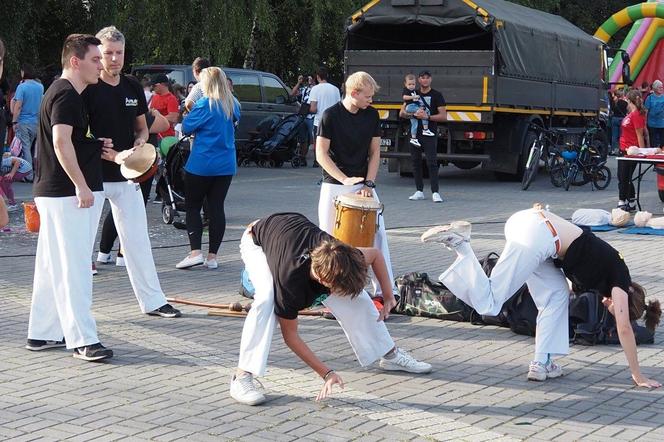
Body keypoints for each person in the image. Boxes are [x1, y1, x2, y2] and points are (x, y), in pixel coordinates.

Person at [422, 206, 661, 387]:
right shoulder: (620, 278)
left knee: (556, 295)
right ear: (627, 299)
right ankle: (462, 244)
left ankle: (543, 362)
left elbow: (573, 266)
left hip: (535, 230)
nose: (609, 308)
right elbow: (624, 329)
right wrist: (637, 375)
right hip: (537, 234)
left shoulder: (604, 274)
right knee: (490, 302)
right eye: (617, 309)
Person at [229, 213, 432, 405]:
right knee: (265, 300)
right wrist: (326, 373)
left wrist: (388, 296)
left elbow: (376, 255)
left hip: (292, 230)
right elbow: (291, 337)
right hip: (257, 238)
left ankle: (389, 354)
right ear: (323, 281)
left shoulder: (341, 254)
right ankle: (241, 376)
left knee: (359, 298)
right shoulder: (289, 283)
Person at [26, 34, 114, 361]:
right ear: (75, 61)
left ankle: (43, 332)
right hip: (66, 194)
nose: (101, 65)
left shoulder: (62, 92)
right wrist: (81, 184)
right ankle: (82, 340)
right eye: (95, 59)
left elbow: (69, 141)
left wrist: (94, 146)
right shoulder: (67, 95)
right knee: (74, 267)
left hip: (54, 192)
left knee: (52, 265)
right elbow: (62, 142)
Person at [84, 26, 181, 318]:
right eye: (107, 53)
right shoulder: (87, 86)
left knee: (137, 240)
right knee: (81, 245)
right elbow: (81, 135)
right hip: (94, 177)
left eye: (119, 53)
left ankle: (153, 301)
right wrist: (110, 153)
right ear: (97, 54)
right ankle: (77, 311)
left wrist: (141, 141)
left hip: (127, 176)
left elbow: (143, 125)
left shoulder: (131, 86)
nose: (113, 59)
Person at [316, 71, 395, 298]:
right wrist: (343, 179)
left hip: (363, 184)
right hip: (334, 184)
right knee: (328, 239)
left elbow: (375, 151)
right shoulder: (330, 115)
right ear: (354, 93)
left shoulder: (371, 115)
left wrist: (369, 183)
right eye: (368, 96)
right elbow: (321, 154)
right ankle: (327, 290)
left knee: (379, 236)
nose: (371, 100)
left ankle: (385, 291)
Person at [176, 67, 240, 270]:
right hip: (226, 164)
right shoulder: (233, 104)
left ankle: (195, 252)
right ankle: (212, 257)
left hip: (202, 163)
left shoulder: (204, 104)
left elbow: (186, 128)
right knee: (216, 207)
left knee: (193, 206)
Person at [399, 71, 447, 203]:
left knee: (432, 162)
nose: (425, 80)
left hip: (429, 133)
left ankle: (435, 192)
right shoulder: (412, 93)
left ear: (431, 80)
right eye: (422, 78)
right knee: (415, 162)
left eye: (427, 78)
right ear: (418, 80)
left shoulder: (437, 95)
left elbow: (443, 116)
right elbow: (402, 113)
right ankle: (419, 190)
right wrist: (412, 115)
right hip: (415, 133)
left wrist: (427, 117)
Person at [11, 64, 44, 180]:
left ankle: (28, 175)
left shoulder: (22, 87)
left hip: (24, 121)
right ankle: (35, 174)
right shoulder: (40, 87)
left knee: (25, 149)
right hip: (37, 122)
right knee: (34, 149)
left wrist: (14, 121)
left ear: (24, 73)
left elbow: (18, 106)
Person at [617, 89, 647, 212]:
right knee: (623, 177)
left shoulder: (637, 115)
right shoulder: (631, 114)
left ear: (629, 100)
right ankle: (630, 201)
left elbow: (640, 134)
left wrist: (642, 152)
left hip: (631, 150)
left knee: (624, 177)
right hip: (624, 149)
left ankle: (622, 201)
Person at [308, 67, 340, 167]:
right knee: (332, 142)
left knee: (318, 142)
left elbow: (313, 108)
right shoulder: (335, 89)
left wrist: (307, 110)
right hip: (334, 121)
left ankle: (318, 161)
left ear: (317, 77)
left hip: (319, 120)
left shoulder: (315, 89)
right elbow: (339, 106)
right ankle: (332, 160)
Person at [402, 73, 434, 148]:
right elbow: (404, 97)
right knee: (424, 112)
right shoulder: (406, 90)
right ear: (405, 84)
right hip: (410, 107)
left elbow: (418, 100)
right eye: (409, 84)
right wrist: (414, 97)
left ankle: (413, 138)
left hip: (414, 106)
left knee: (414, 124)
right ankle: (425, 129)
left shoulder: (415, 91)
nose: (411, 86)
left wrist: (421, 104)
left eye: (413, 84)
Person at [149, 73, 179, 138]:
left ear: (162, 84)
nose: (152, 88)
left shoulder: (171, 99)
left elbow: (173, 118)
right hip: (154, 136)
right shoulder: (155, 97)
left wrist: (157, 117)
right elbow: (151, 113)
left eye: (154, 86)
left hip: (166, 137)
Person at [644, 80, 664, 148]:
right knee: (653, 142)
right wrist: (645, 123)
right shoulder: (649, 98)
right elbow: (646, 111)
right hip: (652, 124)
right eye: (660, 87)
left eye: (662, 87)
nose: (661, 89)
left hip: (662, 123)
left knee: (662, 142)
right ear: (655, 88)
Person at [610, 88, 628, 155]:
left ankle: (613, 150)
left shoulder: (614, 103)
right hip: (622, 119)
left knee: (614, 135)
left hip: (614, 118)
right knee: (621, 135)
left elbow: (611, 110)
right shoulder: (625, 103)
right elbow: (627, 111)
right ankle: (621, 149)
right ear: (622, 95)